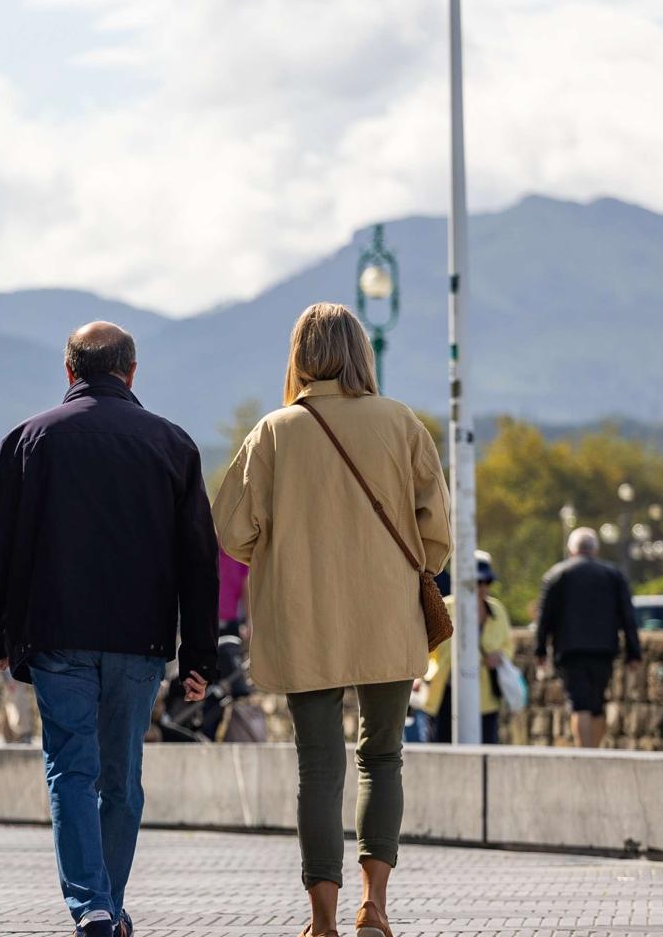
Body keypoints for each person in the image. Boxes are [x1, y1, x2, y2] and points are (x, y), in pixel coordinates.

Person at [0, 321, 219, 937]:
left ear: (69, 372)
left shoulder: (28, 440)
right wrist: (199, 656)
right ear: (132, 373)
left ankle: (94, 906)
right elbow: (199, 559)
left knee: (71, 770)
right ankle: (106, 903)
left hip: (56, 637)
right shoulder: (172, 445)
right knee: (121, 776)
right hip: (140, 641)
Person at [214, 303, 450, 937]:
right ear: (360, 352)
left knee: (318, 766)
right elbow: (438, 535)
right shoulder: (402, 424)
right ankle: (374, 907)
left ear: (299, 354)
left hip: (303, 616)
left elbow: (230, 531)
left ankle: (321, 919)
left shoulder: (272, 432)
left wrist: (283, 554)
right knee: (383, 757)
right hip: (388, 615)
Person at [534, 527, 643, 750]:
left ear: (571, 549)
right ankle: (596, 749)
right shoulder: (613, 575)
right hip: (604, 649)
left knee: (579, 703)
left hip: (570, 649)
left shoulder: (557, 575)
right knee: (597, 703)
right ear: (595, 549)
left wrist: (540, 650)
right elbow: (627, 616)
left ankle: (585, 752)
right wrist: (634, 651)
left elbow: (544, 617)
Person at [421, 552, 511, 744]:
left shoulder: (497, 610)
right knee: (441, 747)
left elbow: (507, 644)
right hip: (445, 690)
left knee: (486, 744)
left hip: (484, 695)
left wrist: (499, 657)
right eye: (477, 582)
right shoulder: (444, 606)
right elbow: (426, 644)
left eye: (487, 582)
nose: (482, 588)